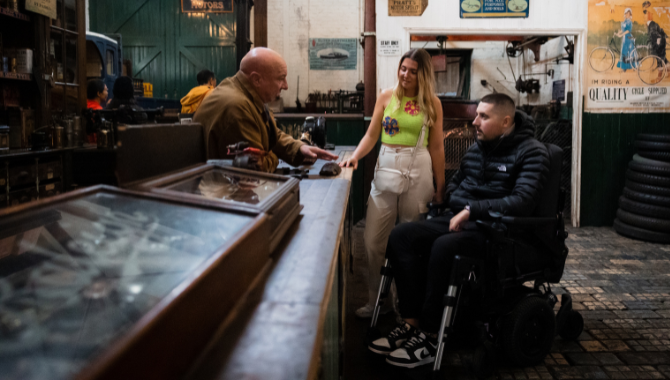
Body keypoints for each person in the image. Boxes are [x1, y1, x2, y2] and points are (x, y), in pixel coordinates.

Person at [368, 94, 550, 368]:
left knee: (444, 245)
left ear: (505, 121)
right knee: (401, 236)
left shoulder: (532, 152)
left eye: (483, 117)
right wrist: (457, 203)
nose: (474, 121)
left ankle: (430, 335)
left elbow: (522, 201)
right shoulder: (477, 148)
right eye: (476, 114)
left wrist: (473, 210)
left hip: (499, 230)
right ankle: (411, 324)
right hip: (462, 217)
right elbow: (456, 184)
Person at [340, 48, 446, 319]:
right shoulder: (386, 97)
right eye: (402, 68)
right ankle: (379, 300)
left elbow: (436, 147)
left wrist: (440, 186)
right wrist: (354, 156)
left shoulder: (432, 103)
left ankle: (408, 303)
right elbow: (371, 135)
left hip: (419, 170)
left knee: (410, 241)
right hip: (386, 167)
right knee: (373, 239)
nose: (405, 74)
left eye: (412, 70)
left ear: (422, 74)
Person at [194, 48, 337, 172]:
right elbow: (255, 166)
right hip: (228, 197)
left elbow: (271, 135)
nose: (286, 86)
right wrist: (275, 155)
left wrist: (299, 148)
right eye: (281, 78)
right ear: (256, 79)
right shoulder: (238, 108)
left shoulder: (244, 94)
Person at [643, 1, 670, 79]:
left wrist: (658, 40)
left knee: (659, 58)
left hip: (659, 42)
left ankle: (659, 76)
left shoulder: (652, 24)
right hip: (660, 41)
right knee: (663, 58)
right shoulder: (650, 24)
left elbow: (655, 33)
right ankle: (669, 73)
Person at [615, 8, 635, 72]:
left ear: (630, 14)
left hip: (628, 37)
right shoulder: (624, 21)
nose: (627, 15)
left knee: (628, 52)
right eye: (626, 13)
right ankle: (624, 68)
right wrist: (618, 33)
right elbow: (623, 29)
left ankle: (631, 67)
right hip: (624, 38)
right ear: (625, 14)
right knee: (624, 52)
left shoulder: (629, 22)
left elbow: (628, 30)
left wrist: (621, 35)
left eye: (629, 14)